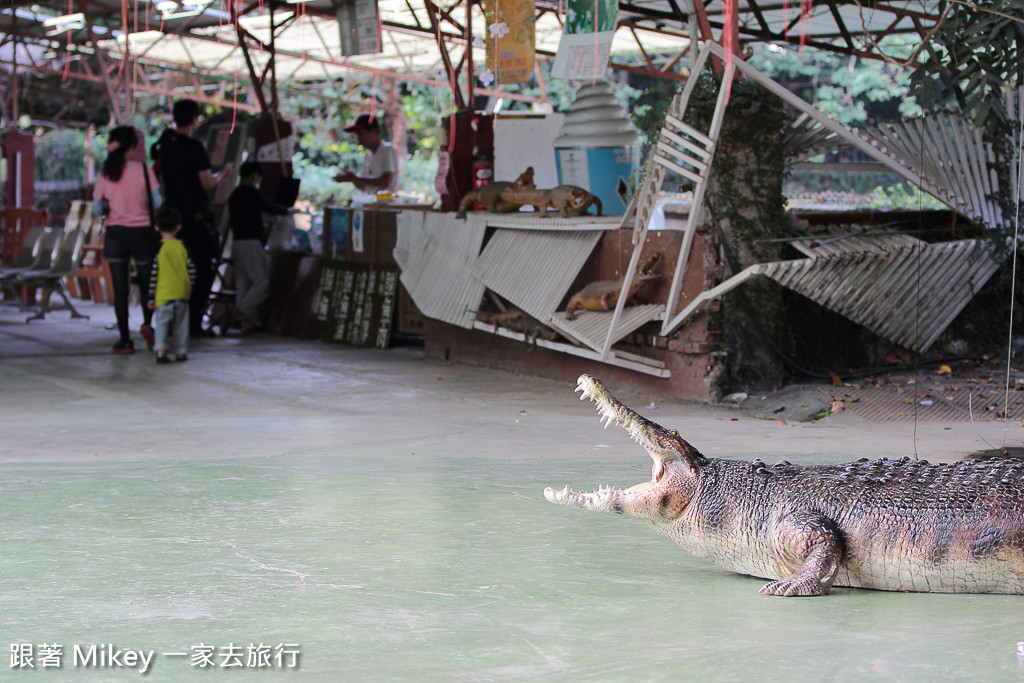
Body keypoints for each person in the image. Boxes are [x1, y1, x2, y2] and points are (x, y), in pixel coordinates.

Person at [154, 98, 232, 338]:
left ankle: (169, 323)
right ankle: (193, 324)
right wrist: (223, 173)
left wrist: (204, 156)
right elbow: (206, 182)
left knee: (174, 270)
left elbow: (179, 167)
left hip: (172, 217)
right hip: (195, 217)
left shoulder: (166, 144)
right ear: (194, 119)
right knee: (203, 270)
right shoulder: (193, 148)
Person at [93, 125, 160, 355]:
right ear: (132, 147)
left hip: (116, 233)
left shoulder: (105, 172)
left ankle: (124, 341)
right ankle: (147, 325)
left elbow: (96, 208)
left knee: (120, 290)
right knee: (146, 285)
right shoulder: (144, 170)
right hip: (142, 233)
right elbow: (157, 203)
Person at [228, 160, 295, 333]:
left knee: (244, 283)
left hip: (237, 242)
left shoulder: (235, 193)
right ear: (254, 176)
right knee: (262, 283)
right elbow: (269, 207)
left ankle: (246, 322)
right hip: (251, 242)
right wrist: (288, 211)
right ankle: (241, 311)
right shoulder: (250, 192)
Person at [148, 207, 195, 364]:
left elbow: (154, 275)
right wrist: (189, 288)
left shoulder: (158, 249)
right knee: (181, 325)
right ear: (178, 227)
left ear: (156, 228)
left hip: (163, 295)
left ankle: (161, 351)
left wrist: (150, 297)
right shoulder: (183, 248)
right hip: (181, 294)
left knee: (162, 324)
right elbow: (192, 271)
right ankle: (181, 352)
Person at [333, 114, 400, 194]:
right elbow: (365, 188)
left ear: (374, 132)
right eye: (357, 135)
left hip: (386, 204)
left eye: (361, 133)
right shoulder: (368, 155)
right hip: (371, 203)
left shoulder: (387, 150)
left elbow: (385, 182)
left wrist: (354, 178)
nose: (359, 138)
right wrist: (351, 179)